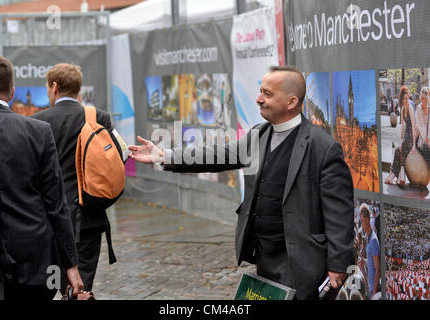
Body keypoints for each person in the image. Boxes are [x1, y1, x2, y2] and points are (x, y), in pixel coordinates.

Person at [128, 66, 355, 299]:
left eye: (267, 94)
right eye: (260, 92)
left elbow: (339, 212)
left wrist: (339, 262)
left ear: (291, 102)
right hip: (264, 256)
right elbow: (216, 155)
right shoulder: (259, 134)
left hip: (304, 260)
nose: (259, 99)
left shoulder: (323, 147)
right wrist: (162, 156)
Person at [0, 55, 83, 300]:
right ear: (13, 92)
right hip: (35, 264)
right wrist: (71, 264)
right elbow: (57, 205)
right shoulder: (38, 131)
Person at [31, 63, 119, 292]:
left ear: (54, 87)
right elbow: (120, 156)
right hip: (88, 216)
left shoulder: (38, 120)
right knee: (82, 286)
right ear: (78, 89)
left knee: (49, 282)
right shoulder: (98, 117)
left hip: (48, 219)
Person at [385, 86, 417, 185]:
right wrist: (400, 142)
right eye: (403, 98)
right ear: (401, 99)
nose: (405, 100)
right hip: (406, 135)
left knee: (402, 150)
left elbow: (413, 126)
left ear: (408, 98)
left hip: (412, 136)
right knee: (397, 150)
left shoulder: (410, 108)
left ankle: (395, 175)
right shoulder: (402, 109)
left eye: (407, 98)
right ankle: (396, 175)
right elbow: (402, 126)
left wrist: (414, 145)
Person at [359, 204, 380, 299]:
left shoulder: (373, 240)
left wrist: (374, 293)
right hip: (370, 289)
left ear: (367, 220)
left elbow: (378, 270)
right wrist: (363, 261)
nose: (361, 224)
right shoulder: (367, 238)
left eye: (362, 221)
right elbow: (371, 264)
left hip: (374, 291)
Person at [415, 87, 430, 167]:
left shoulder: (429, 108)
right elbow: (421, 127)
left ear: (427, 98)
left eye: (424, 98)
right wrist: (427, 140)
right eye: (421, 98)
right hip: (421, 138)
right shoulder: (419, 108)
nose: (422, 100)